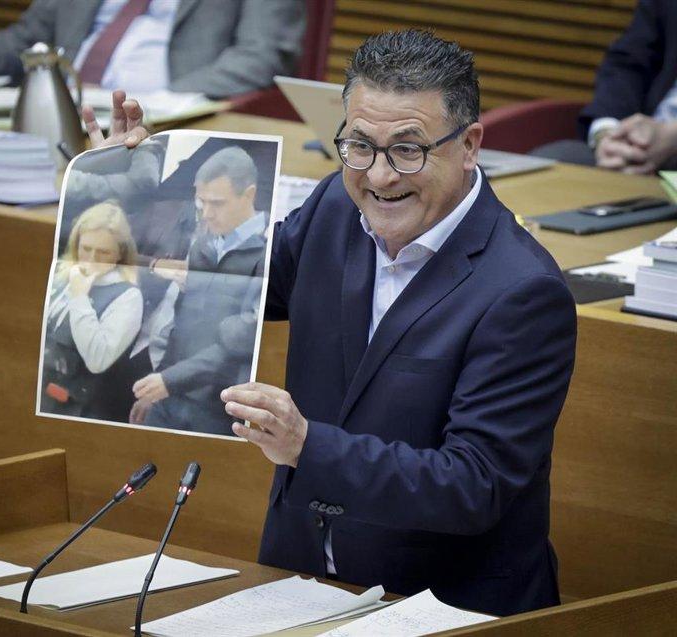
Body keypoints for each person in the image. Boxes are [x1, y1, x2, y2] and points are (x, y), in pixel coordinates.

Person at [87, 30, 577, 616]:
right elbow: (230, 282)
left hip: (441, 604)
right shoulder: (335, 207)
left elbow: (473, 486)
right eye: (360, 146)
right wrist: (128, 192)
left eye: (408, 149)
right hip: (300, 578)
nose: (380, 176)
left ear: (469, 144)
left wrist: (306, 445)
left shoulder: (523, 291)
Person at [129, 146, 268, 436]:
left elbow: (240, 345)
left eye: (217, 203)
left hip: (218, 411)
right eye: (201, 203)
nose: (206, 214)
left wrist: (169, 380)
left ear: (249, 195)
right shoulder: (202, 245)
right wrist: (158, 385)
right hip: (170, 399)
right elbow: (178, 324)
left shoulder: (268, 253)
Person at [0, 0, 306, 98]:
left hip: (167, 125)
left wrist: (162, 105)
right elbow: (28, 41)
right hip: (57, 112)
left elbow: (262, 54)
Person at [534, 0, 677, 173]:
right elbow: (629, 62)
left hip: (663, 144)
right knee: (548, 164)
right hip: (640, 142)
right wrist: (608, 132)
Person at [41, 200, 143, 420]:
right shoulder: (62, 274)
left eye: (103, 252)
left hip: (76, 407)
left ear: (119, 254)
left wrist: (80, 297)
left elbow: (98, 359)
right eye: (86, 249)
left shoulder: (128, 296)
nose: (91, 259)